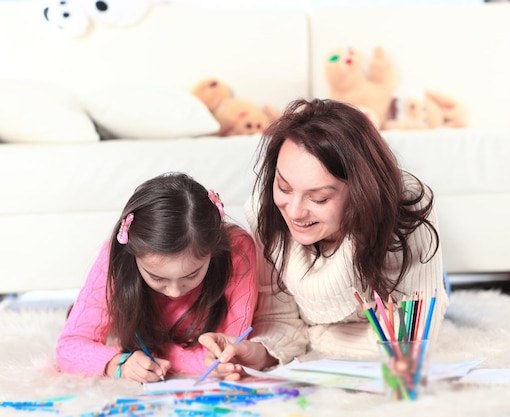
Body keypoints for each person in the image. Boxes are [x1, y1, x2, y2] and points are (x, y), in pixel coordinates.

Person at [200, 98, 449, 380]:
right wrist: (256, 351)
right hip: (337, 306)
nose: (294, 212)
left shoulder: (405, 205)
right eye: (283, 187)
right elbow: (280, 321)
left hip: (393, 275)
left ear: (360, 192)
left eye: (319, 198)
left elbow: (410, 337)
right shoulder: (265, 210)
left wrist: (314, 335)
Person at [56, 172, 257, 382]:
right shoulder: (116, 256)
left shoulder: (237, 250)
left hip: (155, 337)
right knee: (88, 318)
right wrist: (119, 364)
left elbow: (229, 350)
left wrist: (162, 355)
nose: (175, 291)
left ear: (214, 250)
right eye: (157, 278)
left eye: (192, 274)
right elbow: (69, 347)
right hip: (132, 325)